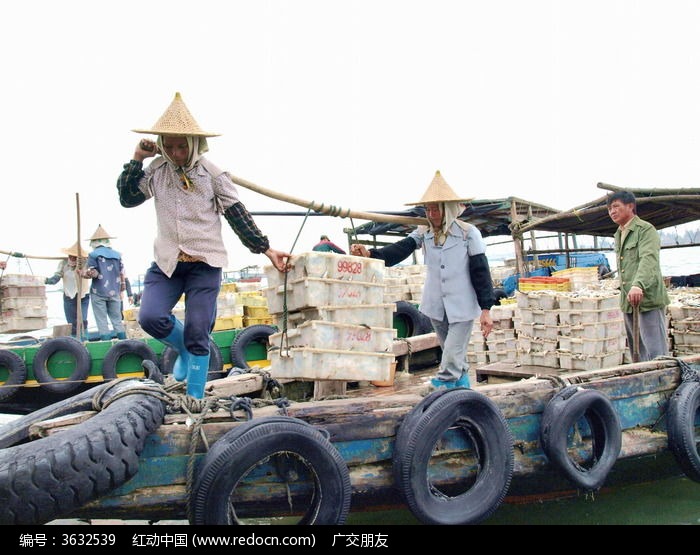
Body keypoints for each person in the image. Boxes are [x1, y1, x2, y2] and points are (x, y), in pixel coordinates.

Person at [117, 92, 290, 399]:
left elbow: (238, 217)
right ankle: (184, 350)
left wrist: (266, 249)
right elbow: (128, 199)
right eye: (168, 146)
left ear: (195, 144)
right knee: (150, 317)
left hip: (204, 264)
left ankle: (194, 400)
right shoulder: (157, 170)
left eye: (182, 145)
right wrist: (137, 158)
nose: (176, 152)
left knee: (199, 331)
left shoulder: (213, 175)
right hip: (167, 263)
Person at [351, 170, 495, 389]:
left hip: (462, 304)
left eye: (436, 208)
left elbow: (481, 271)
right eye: (428, 208)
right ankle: (462, 388)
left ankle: (442, 383)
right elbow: (400, 249)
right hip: (437, 303)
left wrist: (486, 308)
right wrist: (371, 254)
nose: (432, 213)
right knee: (451, 351)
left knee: (453, 350)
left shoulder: (468, 233)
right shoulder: (424, 232)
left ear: (448, 208)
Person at [606, 190, 670, 361]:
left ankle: (662, 382)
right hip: (628, 300)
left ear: (630, 206)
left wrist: (638, 284)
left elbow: (648, 259)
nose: (612, 211)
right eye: (609, 209)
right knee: (638, 353)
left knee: (656, 352)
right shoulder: (619, 233)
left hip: (647, 298)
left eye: (616, 206)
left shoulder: (645, 229)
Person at [82, 224, 127, 341]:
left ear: (94, 242)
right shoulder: (117, 255)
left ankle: (106, 345)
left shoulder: (93, 255)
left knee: (102, 321)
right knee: (117, 320)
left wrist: (84, 273)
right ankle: (124, 342)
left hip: (99, 292)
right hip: (114, 292)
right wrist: (122, 288)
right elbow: (122, 273)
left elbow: (94, 273)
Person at [44, 241, 92, 338]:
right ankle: (74, 339)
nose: (72, 258)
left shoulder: (84, 263)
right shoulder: (63, 264)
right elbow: (56, 277)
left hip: (82, 295)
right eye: (71, 256)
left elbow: (88, 274)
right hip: (69, 295)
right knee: (71, 322)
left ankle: (84, 338)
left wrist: (83, 272)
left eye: (75, 257)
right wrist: (47, 280)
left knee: (82, 320)